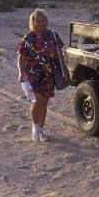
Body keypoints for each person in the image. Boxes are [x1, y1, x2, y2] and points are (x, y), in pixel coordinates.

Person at [17, 8, 65, 142]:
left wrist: (63, 70)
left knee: (44, 103)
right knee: (36, 101)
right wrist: (21, 73)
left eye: (43, 21)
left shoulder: (53, 35)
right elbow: (21, 57)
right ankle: (35, 127)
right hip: (32, 75)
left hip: (49, 75)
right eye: (38, 21)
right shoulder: (28, 38)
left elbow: (59, 53)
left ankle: (41, 130)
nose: (41, 24)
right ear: (33, 22)